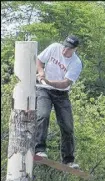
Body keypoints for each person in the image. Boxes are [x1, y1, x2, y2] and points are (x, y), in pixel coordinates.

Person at [35, 35, 83, 169]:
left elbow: (65, 83)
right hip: (44, 90)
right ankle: (39, 150)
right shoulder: (54, 47)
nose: (64, 50)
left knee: (67, 126)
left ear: (74, 49)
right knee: (42, 115)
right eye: (65, 46)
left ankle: (68, 160)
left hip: (61, 94)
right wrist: (41, 72)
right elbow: (39, 60)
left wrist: (49, 81)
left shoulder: (76, 63)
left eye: (68, 49)